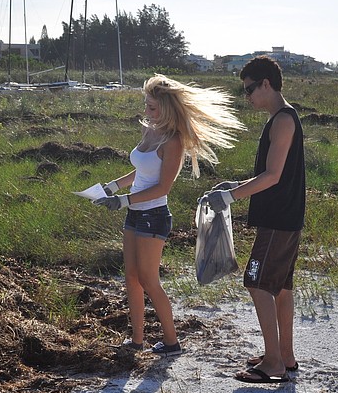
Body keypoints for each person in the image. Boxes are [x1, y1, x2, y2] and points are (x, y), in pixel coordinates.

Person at [95, 74, 244, 356]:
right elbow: (142, 170)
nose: (147, 112)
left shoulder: (174, 141)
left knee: (149, 280)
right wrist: (113, 186)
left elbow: (163, 186)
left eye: (152, 107)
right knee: (131, 277)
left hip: (154, 216)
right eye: (146, 105)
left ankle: (172, 342)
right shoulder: (149, 129)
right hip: (135, 214)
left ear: (166, 108)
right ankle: (137, 341)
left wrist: (122, 201)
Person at [201, 56, 305, 383]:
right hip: (284, 219)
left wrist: (230, 198)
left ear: (266, 83)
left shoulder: (283, 120)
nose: (247, 97)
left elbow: (273, 176)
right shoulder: (282, 118)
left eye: (249, 90)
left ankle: (273, 363)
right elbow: (269, 173)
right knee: (281, 287)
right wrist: (234, 186)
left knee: (256, 282)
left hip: (278, 221)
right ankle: (285, 356)